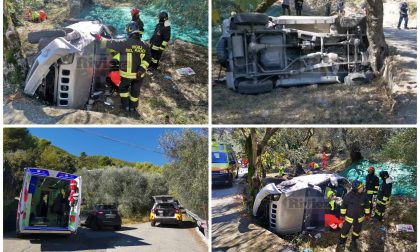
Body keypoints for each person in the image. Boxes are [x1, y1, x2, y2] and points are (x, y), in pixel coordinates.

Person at [95, 21, 151, 114]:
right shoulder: (145, 45)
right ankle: (133, 108)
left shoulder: (125, 43)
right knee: (135, 91)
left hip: (126, 75)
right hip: (139, 75)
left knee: (123, 89)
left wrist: (99, 38)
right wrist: (141, 69)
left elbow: (110, 43)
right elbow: (148, 59)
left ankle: (125, 106)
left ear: (129, 30)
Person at [336, 180, 370, 251]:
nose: (362, 188)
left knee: (356, 231)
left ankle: (354, 241)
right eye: (360, 187)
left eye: (362, 187)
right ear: (355, 189)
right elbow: (343, 206)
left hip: (359, 218)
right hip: (349, 218)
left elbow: (367, 205)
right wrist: (342, 215)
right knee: (344, 231)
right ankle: (342, 241)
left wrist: (367, 214)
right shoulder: (347, 196)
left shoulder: (364, 195)